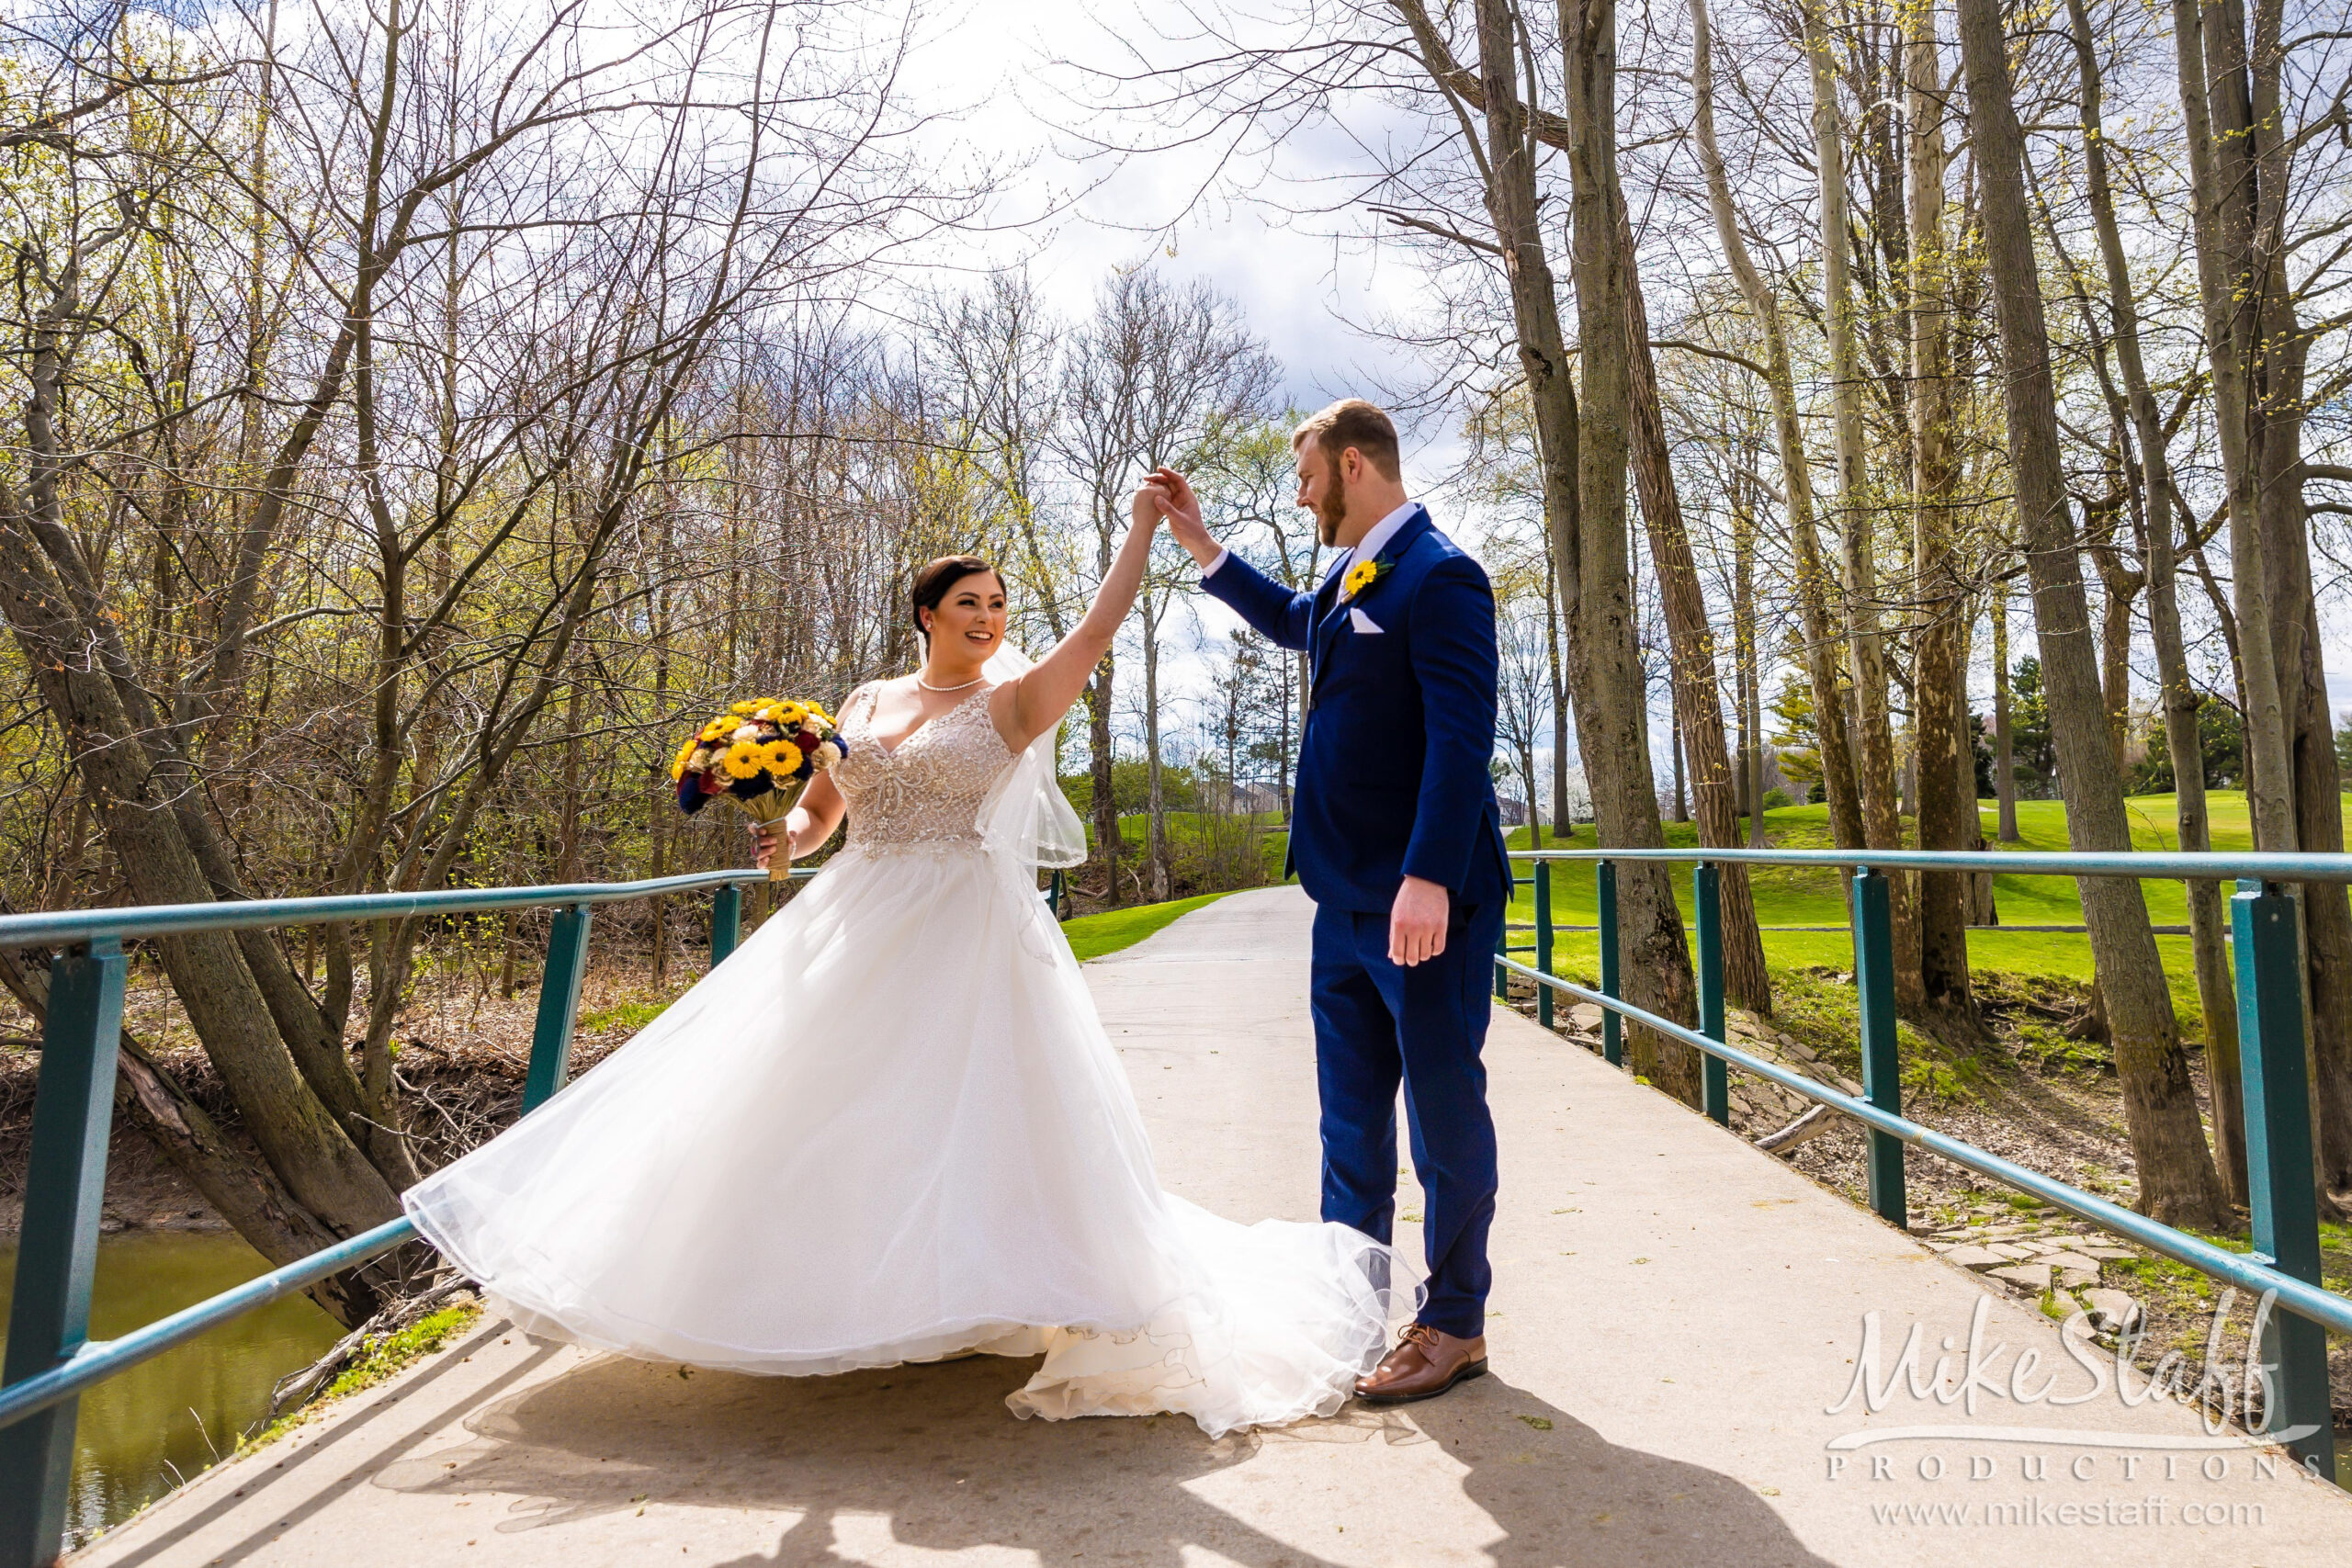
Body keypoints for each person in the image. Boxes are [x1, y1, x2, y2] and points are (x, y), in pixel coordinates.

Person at [400, 486, 1405, 1438]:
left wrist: (1143, 533)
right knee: (813, 1107)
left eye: (1000, 605)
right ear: (926, 612)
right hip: (852, 914)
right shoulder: (865, 698)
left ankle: (981, 1290)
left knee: (964, 1116)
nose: (989, 617)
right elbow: (826, 808)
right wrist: (788, 838)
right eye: (969, 602)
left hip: (964, 925)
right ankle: (826, 1300)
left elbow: (1095, 634)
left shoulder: (1011, 704)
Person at [1151, 398, 1511, 1404]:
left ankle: (1453, 1322)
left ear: (1353, 465)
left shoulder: (1441, 577)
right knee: (1349, 1125)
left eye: (1306, 475)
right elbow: (1293, 624)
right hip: (1342, 901)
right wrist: (1201, 545)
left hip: (1422, 902)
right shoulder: (1347, 576)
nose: (1301, 493)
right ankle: (1352, 1307)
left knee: (1443, 1119)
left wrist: (1429, 875)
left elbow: (1458, 739)